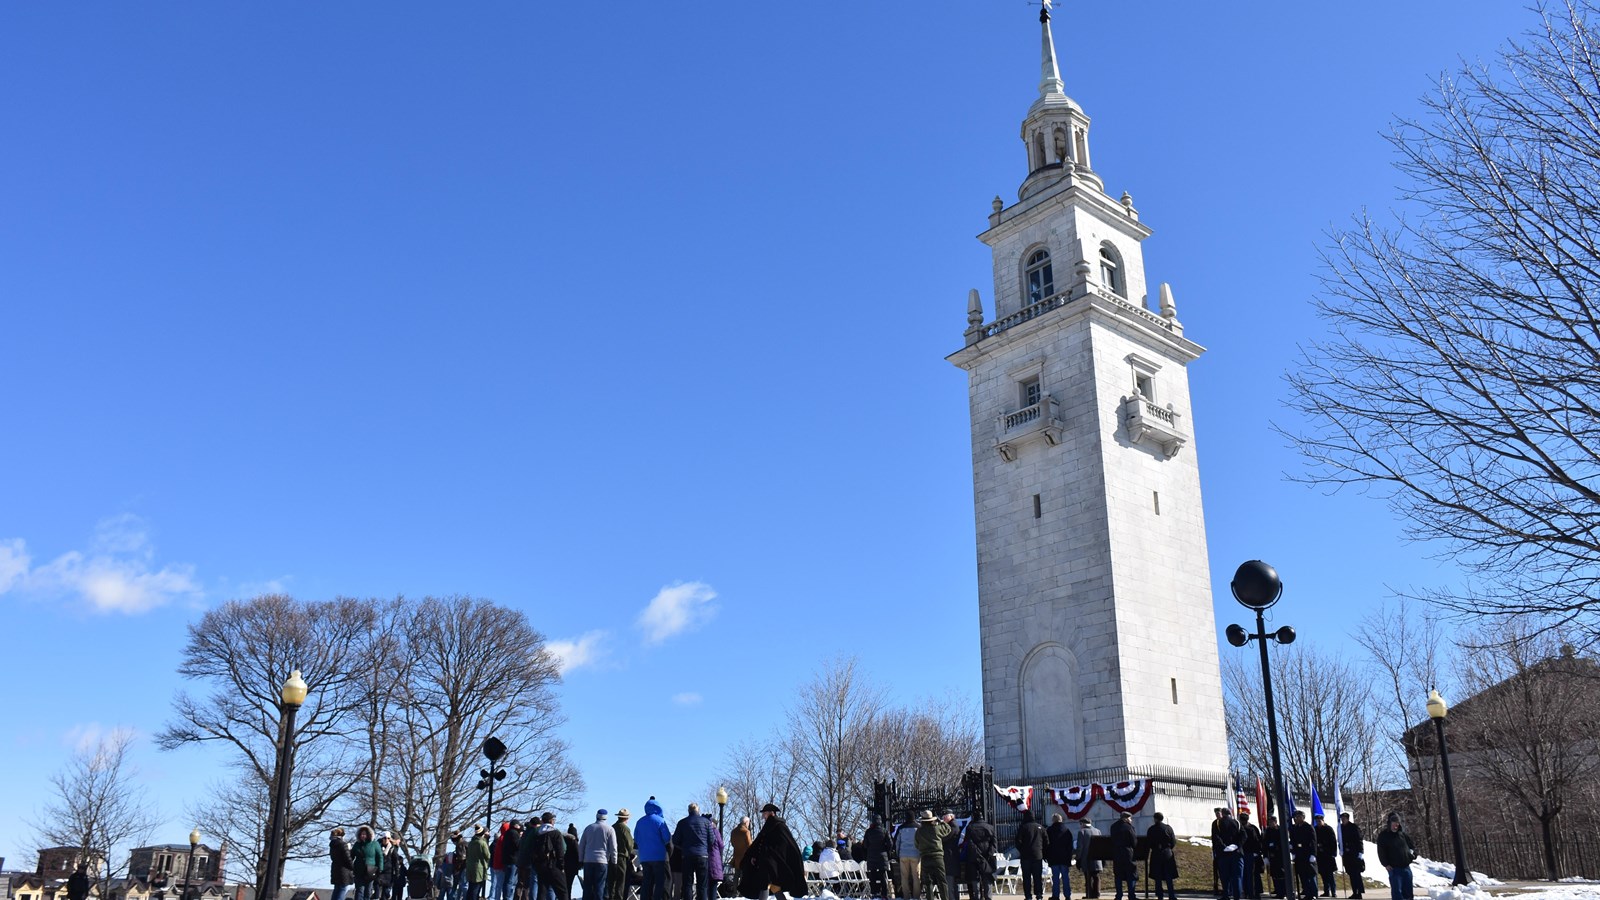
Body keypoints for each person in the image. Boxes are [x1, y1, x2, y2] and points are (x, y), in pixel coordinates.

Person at [737, 802, 805, 900]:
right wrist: (754, 855)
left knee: (764, 883)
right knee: (773, 886)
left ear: (771, 813)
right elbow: (760, 842)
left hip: (772, 862)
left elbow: (785, 845)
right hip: (766, 861)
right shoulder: (768, 825)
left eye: (765, 813)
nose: (763, 816)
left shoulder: (779, 826)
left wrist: (770, 853)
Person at [674, 803, 717, 900]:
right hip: (702, 855)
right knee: (702, 884)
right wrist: (705, 847)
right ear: (698, 810)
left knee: (687, 884)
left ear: (688, 811)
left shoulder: (682, 823)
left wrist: (684, 847)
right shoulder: (706, 822)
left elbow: (675, 840)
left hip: (687, 855)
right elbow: (712, 840)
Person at [637, 799, 673, 900]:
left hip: (644, 858)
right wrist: (669, 853)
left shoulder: (640, 822)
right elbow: (667, 839)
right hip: (659, 857)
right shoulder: (660, 821)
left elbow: (636, 838)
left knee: (647, 882)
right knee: (661, 883)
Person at [1374, 814, 1415, 900]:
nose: (1396, 825)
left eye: (1397, 823)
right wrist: (1386, 864)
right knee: (1397, 893)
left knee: (1408, 893)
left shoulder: (1402, 835)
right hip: (1394, 869)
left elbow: (1411, 847)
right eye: (1394, 822)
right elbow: (1381, 852)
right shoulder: (1384, 836)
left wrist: (1412, 854)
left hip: (1406, 868)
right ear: (1389, 823)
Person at [579, 810, 618, 900]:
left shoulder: (588, 828)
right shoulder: (609, 829)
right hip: (602, 860)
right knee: (600, 886)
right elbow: (613, 847)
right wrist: (614, 861)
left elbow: (582, 845)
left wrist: (580, 859)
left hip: (588, 860)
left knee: (587, 887)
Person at [915, 810, 951, 900]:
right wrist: (942, 821)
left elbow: (916, 844)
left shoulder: (919, 832)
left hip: (925, 857)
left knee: (928, 882)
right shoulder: (937, 828)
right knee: (942, 881)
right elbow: (948, 829)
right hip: (937, 857)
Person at [533, 814, 570, 900]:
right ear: (551, 821)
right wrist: (562, 865)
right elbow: (560, 850)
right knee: (562, 891)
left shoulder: (538, 833)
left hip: (541, 866)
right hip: (554, 865)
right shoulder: (555, 833)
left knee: (542, 891)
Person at [964, 810, 998, 900]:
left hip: (973, 856)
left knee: (975, 878)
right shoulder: (990, 827)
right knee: (987, 877)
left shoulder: (970, 827)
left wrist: (977, 853)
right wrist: (989, 853)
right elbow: (994, 843)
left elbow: (968, 842)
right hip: (987, 855)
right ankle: (988, 897)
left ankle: (977, 896)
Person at [1015, 810, 1046, 900]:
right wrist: (1042, 851)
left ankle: (1028, 895)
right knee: (1037, 876)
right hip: (1037, 856)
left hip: (1026, 857)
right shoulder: (1040, 827)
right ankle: (1039, 894)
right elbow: (1046, 841)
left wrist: (1022, 850)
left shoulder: (1023, 827)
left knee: (1027, 877)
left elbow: (1018, 842)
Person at [1146, 813, 1178, 900]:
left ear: (1155, 819)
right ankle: (1171, 895)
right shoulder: (1168, 828)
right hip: (1167, 853)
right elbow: (1173, 842)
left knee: (1158, 876)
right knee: (1168, 875)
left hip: (1156, 853)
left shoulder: (1151, 829)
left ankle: (1160, 895)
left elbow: (1149, 843)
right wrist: (1168, 848)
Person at [1289, 812, 1318, 900]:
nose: (1297, 818)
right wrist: (1292, 850)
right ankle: (1307, 893)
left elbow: (1313, 841)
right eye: (1296, 817)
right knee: (1302, 875)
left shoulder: (1308, 827)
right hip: (1299, 854)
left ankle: (1313, 893)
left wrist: (1313, 854)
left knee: (1310, 874)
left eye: (1299, 817)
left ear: (1303, 817)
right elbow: (1293, 840)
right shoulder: (1295, 828)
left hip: (1307, 854)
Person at [862, 815, 892, 900]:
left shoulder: (868, 831)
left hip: (871, 856)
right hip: (882, 856)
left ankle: (874, 892)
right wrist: (886, 850)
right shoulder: (884, 831)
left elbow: (865, 844)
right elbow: (890, 844)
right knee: (883, 876)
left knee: (873, 876)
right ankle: (884, 894)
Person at [1216, 810, 1243, 900]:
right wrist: (1236, 846)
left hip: (1223, 854)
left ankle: (1226, 895)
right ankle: (1237, 896)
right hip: (1237, 853)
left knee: (1225, 877)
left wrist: (1224, 847)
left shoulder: (1218, 823)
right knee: (1237, 877)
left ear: (1222, 814)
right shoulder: (1237, 823)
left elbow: (1216, 837)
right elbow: (1244, 835)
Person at [1109, 813, 1137, 900]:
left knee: (1118, 875)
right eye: (1130, 818)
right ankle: (1131, 895)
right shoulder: (1129, 827)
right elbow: (1134, 842)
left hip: (1117, 852)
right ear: (1126, 818)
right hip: (1127, 853)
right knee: (1131, 874)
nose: (1131, 820)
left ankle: (1119, 895)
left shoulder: (1113, 826)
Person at [1046, 814, 1074, 900]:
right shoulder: (1066, 830)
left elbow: (1047, 844)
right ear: (1061, 820)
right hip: (1064, 858)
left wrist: (1047, 856)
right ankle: (1067, 895)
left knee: (1056, 878)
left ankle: (1056, 895)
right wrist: (1070, 856)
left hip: (1054, 857)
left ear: (1053, 820)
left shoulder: (1049, 830)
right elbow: (1070, 845)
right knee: (1065, 877)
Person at [610, 809, 636, 900]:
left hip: (611, 857)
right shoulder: (625, 828)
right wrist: (631, 853)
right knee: (621, 882)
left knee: (612, 881)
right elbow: (629, 844)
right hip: (621, 857)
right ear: (626, 818)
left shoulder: (612, 827)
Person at [896, 812, 922, 900]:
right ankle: (916, 897)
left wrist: (897, 854)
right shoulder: (918, 827)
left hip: (903, 854)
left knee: (904, 877)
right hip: (915, 854)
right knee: (916, 877)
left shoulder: (901, 828)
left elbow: (897, 843)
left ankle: (906, 897)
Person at [1338, 814, 1364, 900]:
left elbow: (1359, 840)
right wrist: (1340, 849)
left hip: (1354, 854)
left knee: (1356, 874)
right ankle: (1354, 892)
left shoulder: (1353, 827)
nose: (1343, 820)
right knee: (1351, 874)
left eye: (1344, 819)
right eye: (1342, 819)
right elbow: (1340, 840)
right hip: (1346, 855)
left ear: (1348, 819)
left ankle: (1359, 893)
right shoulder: (1340, 828)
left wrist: (1361, 852)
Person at [355, 827, 385, 900]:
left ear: (369, 835)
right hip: (359, 870)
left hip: (370, 871)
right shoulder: (357, 844)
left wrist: (380, 868)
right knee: (360, 890)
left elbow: (380, 856)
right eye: (361, 834)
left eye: (364, 834)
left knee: (368, 891)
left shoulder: (375, 844)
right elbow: (351, 855)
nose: (363, 836)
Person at [1076, 820, 1102, 900]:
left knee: (1088, 877)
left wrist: (1078, 858)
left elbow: (1080, 847)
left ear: (1082, 824)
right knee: (1096, 877)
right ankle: (1097, 893)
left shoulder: (1082, 832)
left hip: (1086, 858)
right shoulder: (1097, 831)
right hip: (1097, 858)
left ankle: (1089, 894)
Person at [1239, 812, 1263, 900]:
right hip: (1244, 853)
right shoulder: (1245, 828)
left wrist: (1257, 851)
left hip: (1251, 854)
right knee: (1245, 874)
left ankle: (1253, 893)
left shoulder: (1251, 829)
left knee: (1251, 875)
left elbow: (1257, 840)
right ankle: (1246, 892)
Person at [1260, 817, 1284, 900]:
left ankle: (1282, 891)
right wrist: (1265, 856)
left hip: (1280, 856)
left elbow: (1283, 843)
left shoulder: (1280, 830)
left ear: (1275, 822)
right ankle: (1277, 889)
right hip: (1271, 856)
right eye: (1269, 822)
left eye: (1271, 822)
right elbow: (1264, 843)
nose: (1270, 824)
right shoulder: (1268, 831)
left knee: (1281, 874)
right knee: (1274, 874)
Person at [467, 826, 493, 900]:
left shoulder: (471, 843)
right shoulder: (482, 843)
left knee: (471, 887)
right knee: (476, 888)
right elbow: (488, 855)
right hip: (479, 868)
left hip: (470, 867)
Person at [1313, 817, 1337, 898]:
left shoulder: (1328, 829)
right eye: (1317, 821)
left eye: (1320, 821)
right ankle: (1326, 891)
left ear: (1323, 821)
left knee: (1330, 874)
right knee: (1323, 874)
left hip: (1328, 855)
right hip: (1320, 856)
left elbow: (1333, 841)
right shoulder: (1315, 829)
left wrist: (1333, 852)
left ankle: (1333, 891)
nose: (1318, 822)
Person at [940, 813, 963, 900]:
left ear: (951, 816)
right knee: (952, 883)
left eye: (945, 816)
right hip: (951, 856)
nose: (944, 818)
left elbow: (944, 838)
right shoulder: (953, 825)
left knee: (950, 882)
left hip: (950, 857)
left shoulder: (953, 827)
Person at [332, 828, 356, 900]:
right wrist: (353, 868)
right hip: (344, 871)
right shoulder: (343, 844)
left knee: (336, 889)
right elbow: (348, 858)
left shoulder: (333, 845)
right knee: (343, 889)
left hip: (336, 870)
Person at [386, 832, 409, 900]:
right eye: (398, 840)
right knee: (391, 893)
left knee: (399, 896)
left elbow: (406, 873)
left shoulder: (403, 867)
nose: (399, 842)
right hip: (391, 876)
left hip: (399, 882)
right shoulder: (391, 847)